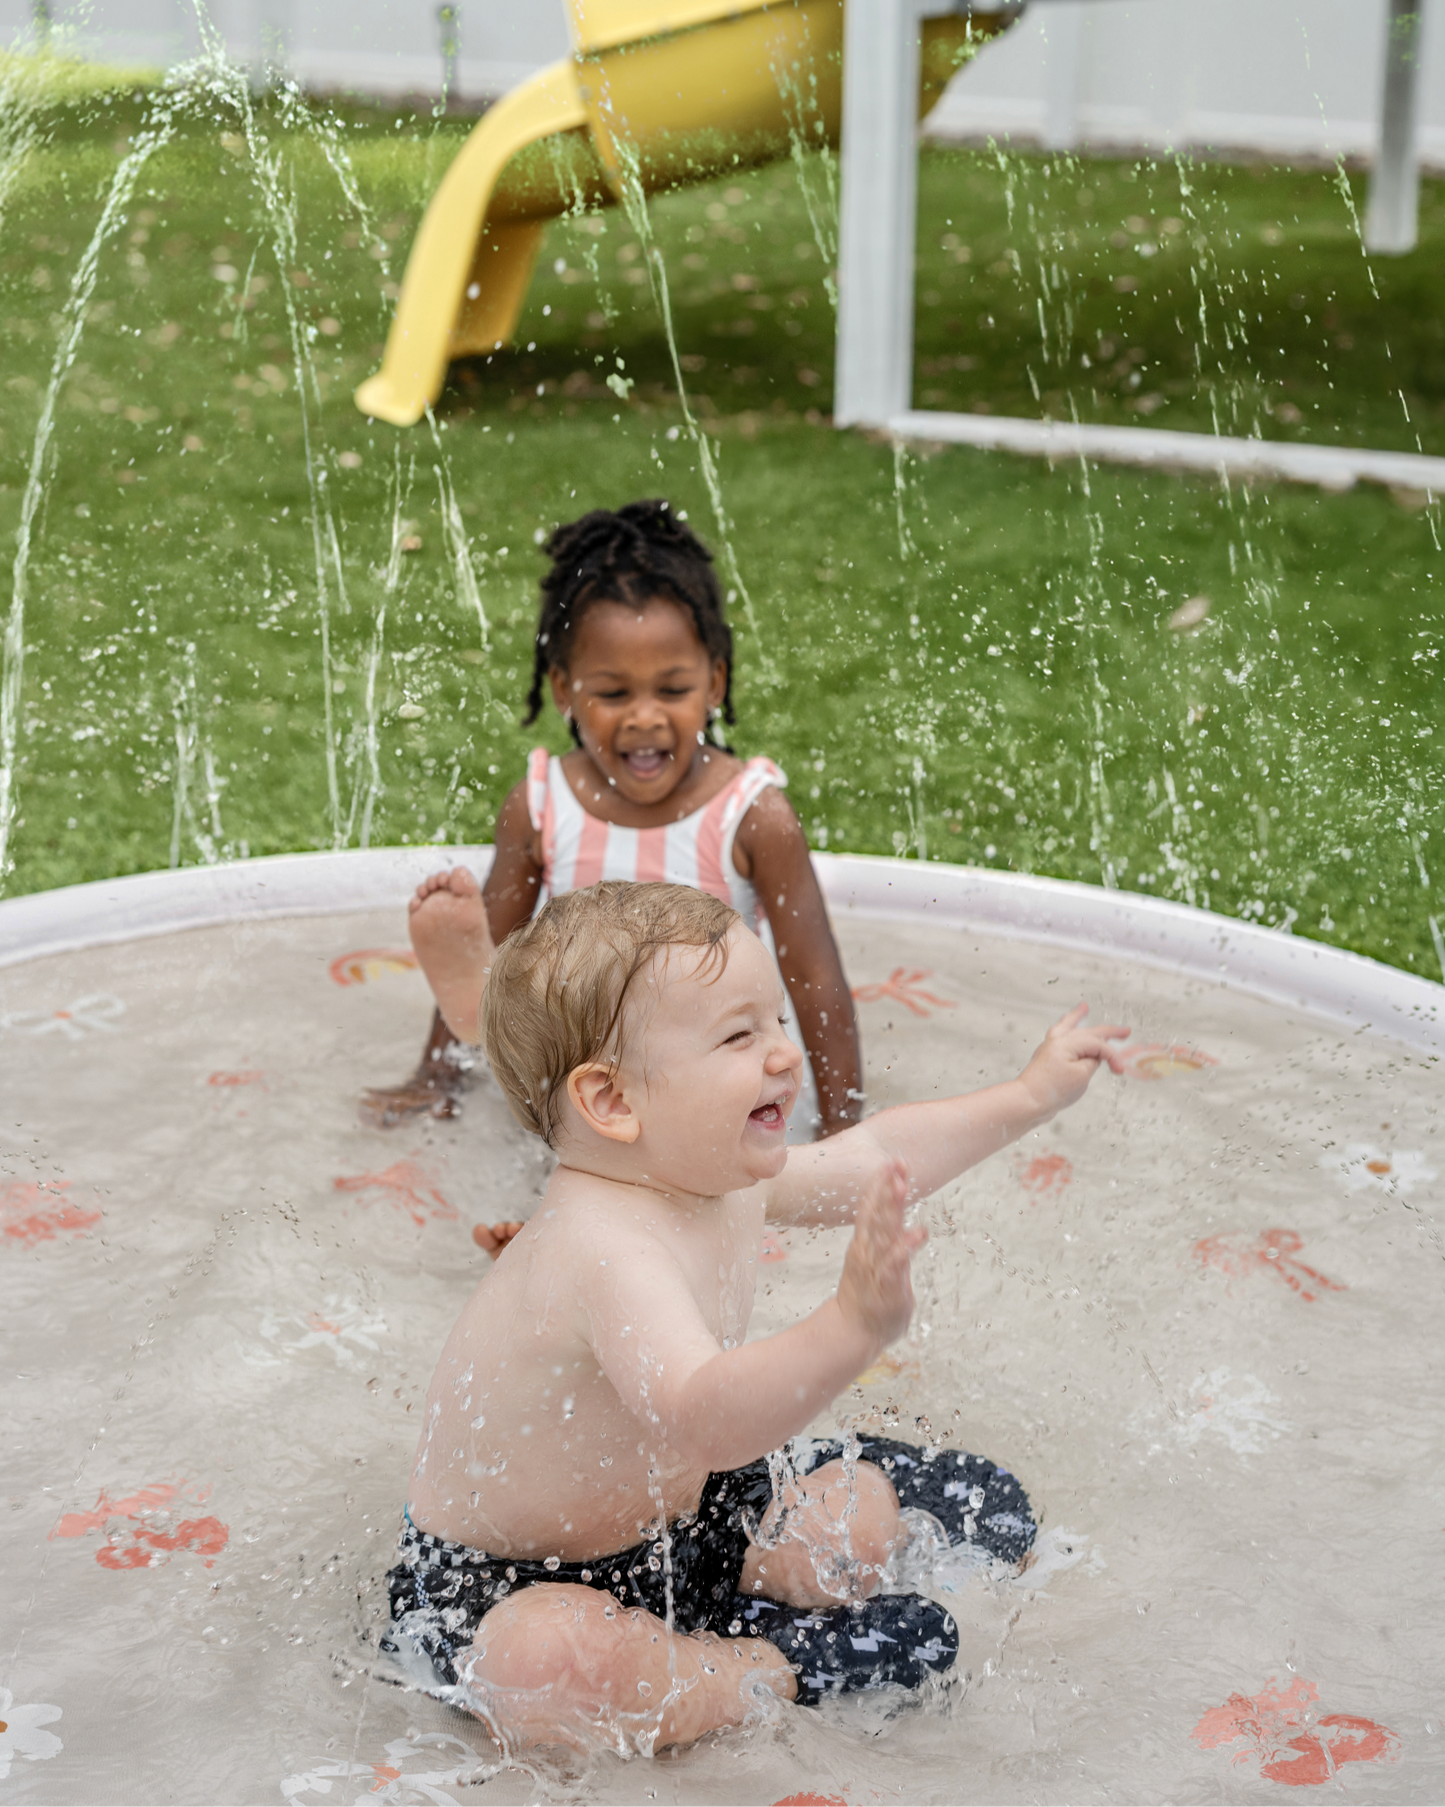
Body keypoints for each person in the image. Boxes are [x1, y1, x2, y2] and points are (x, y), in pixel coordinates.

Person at [383, 880, 1129, 1755]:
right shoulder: (603, 1248)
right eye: (740, 1035)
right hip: (511, 1585)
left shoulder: (715, 1173)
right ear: (614, 1101)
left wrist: (1027, 1094)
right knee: (549, 1668)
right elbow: (703, 1416)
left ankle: (704, 1637)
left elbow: (876, 1153)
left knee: (849, 1532)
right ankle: (759, 1668)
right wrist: (850, 1322)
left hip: (683, 1532)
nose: (783, 1054)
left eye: (774, 1020)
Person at [363, 500, 862, 1174]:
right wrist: (435, 1078)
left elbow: (815, 979)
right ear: (564, 691)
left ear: (714, 680)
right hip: (585, 1079)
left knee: (699, 1162)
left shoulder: (752, 814)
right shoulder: (541, 806)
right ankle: (487, 1054)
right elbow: (485, 950)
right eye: (613, 693)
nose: (645, 717)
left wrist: (840, 1132)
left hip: (710, 1077)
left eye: (673, 687)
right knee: (510, 1002)